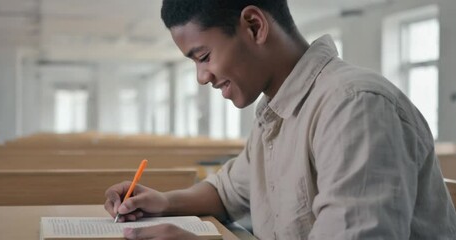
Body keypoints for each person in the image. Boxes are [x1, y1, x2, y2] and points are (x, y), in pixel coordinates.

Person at [104, 0, 456, 239]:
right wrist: (163, 202)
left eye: (204, 56)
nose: (202, 77)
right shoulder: (275, 112)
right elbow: (227, 192)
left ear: (254, 26)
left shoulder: (354, 107)